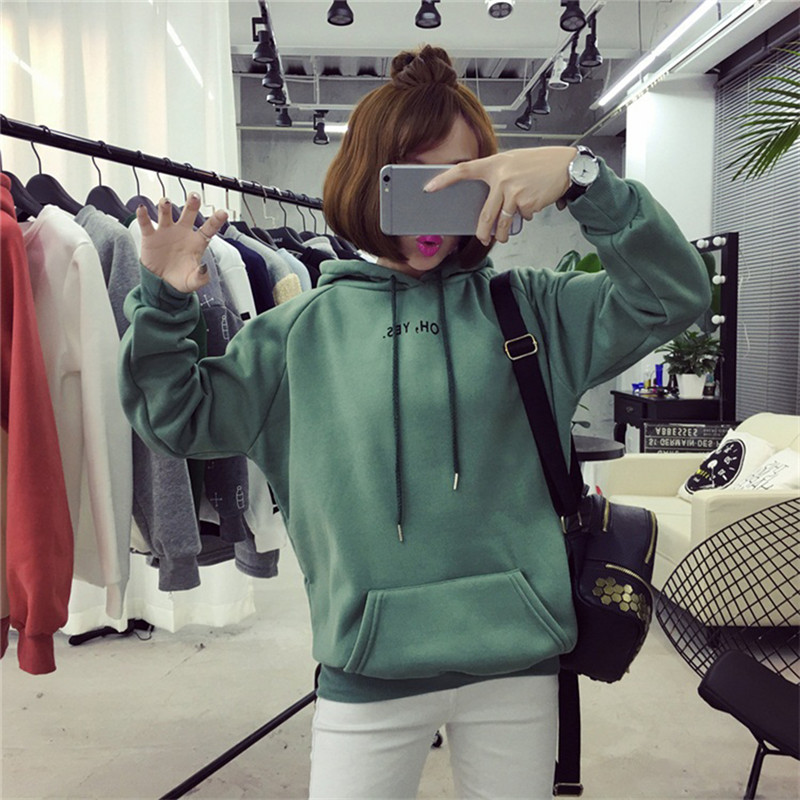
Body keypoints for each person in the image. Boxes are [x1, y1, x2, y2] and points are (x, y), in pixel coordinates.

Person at [119, 45, 709, 799]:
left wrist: (584, 179)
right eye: (410, 179)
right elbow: (176, 419)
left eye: (459, 179)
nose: (434, 205)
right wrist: (165, 301)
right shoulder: (297, 334)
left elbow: (674, 296)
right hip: (368, 674)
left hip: (516, 665)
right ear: (367, 181)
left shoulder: (534, 310)